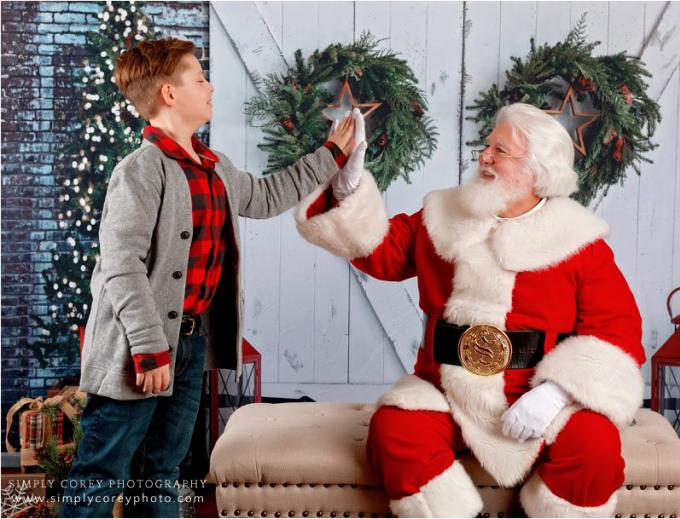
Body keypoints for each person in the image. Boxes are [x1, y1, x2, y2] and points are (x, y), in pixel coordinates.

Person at [294, 103, 645, 517]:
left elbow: (616, 332)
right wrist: (347, 188)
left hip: (537, 395)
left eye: (500, 150)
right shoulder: (442, 215)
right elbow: (381, 253)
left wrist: (556, 394)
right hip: (445, 390)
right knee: (394, 430)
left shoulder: (579, 242)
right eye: (487, 145)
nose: (484, 156)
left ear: (537, 169)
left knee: (595, 446)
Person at [60, 37, 364, 517]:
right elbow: (122, 266)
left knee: (163, 469)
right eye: (199, 78)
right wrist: (148, 347)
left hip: (189, 343)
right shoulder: (139, 171)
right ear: (169, 94)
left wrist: (329, 155)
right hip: (141, 351)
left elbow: (265, 196)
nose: (210, 85)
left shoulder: (213, 166)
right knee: (102, 471)